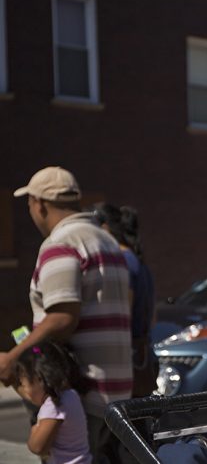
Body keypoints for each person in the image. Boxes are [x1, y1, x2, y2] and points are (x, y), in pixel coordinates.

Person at [2, 166, 132, 461]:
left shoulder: (60, 244)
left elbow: (62, 318)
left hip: (81, 394)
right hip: (116, 390)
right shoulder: (108, 242)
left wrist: (13, 357)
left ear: (40, 204)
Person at [93, 203, 157, 397]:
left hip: (129, 361)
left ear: (104, 229)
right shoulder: (137, 260)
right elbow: (153, 318)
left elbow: (123, 315)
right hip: (143, 356)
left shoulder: (122, 261)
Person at [15, 341, 92, 464]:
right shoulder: (71, 395)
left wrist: (35, 429)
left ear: (39, 379)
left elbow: (37, 447)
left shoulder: (54, 406)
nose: (24, 391)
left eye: (23, 384)